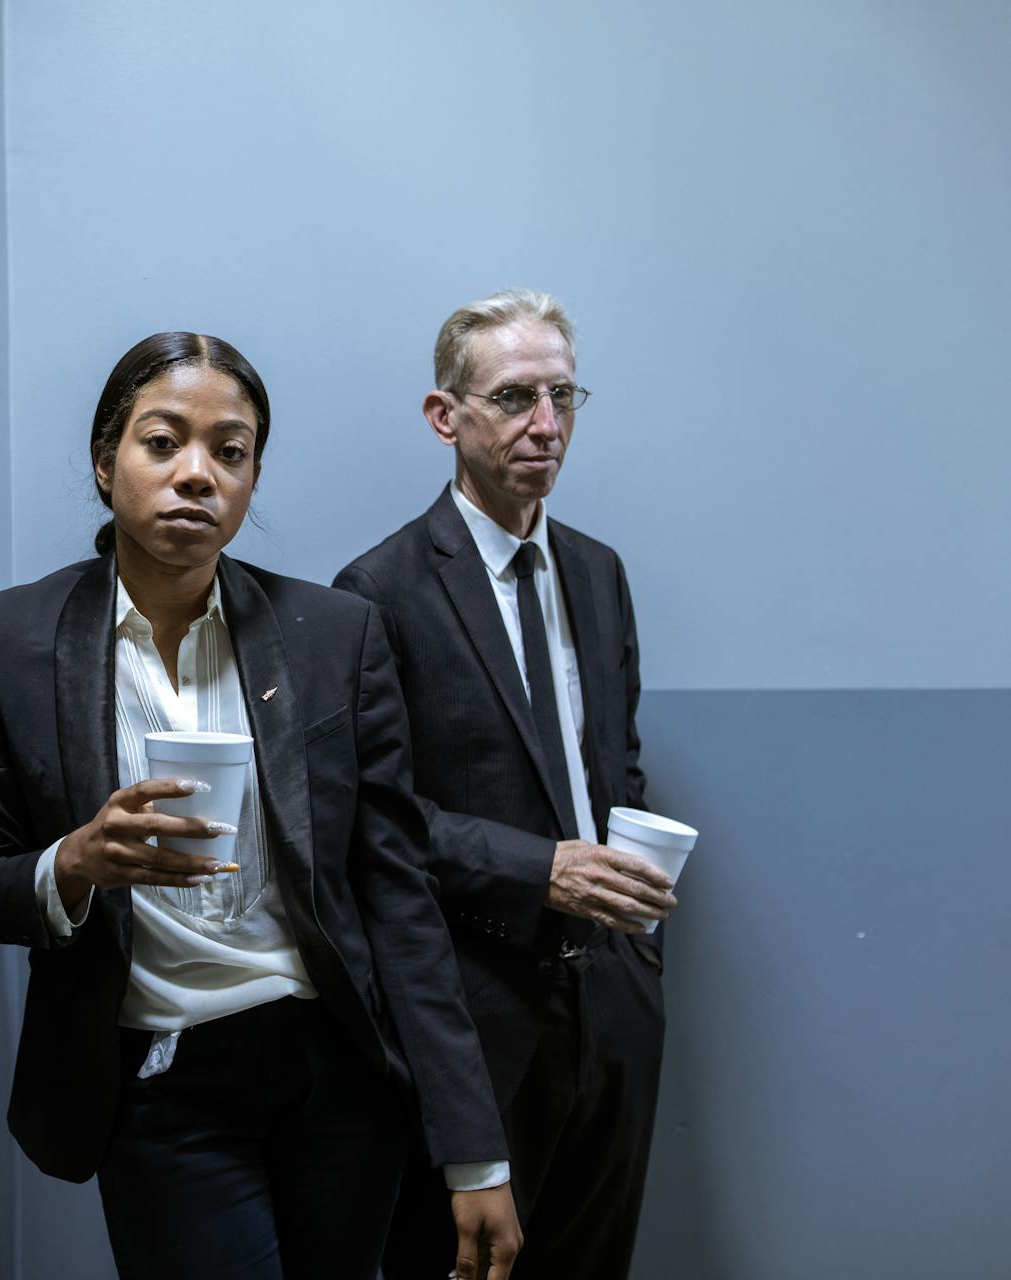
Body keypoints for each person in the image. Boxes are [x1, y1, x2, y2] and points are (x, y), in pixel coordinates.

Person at [0, 332, 520, 1280]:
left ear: (253, 478)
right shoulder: (8, 639)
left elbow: (396, 894)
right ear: (106, 464)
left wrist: (474, 1148)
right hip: (157, 1071)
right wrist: (77, 862)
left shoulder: (332, 636)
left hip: (335, 1068)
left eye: (230, 451)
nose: (197, 474)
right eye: (162, 441)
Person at [335, 290, 675, 1279]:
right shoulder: (379, 590)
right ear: (447, 416)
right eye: (517, 396)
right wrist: (542, 868)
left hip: (612, 1001)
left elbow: (616, 764)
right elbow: (374, 818)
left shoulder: (599, 573)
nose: (547, 424)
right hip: (475, 1013)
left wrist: (634, 938)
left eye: (563, 395)